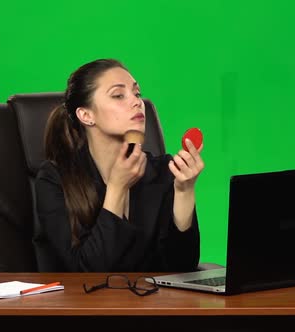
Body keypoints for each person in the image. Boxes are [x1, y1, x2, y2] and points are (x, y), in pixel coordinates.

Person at [33, 58, 205, 272]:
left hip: (151, 304)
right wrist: (117, 188)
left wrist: (184, 191)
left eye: (137, 93)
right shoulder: (55, 178)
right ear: (86, 115)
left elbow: (182, 266)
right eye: (118, 95)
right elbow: (88, 272)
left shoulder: (163, 171)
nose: (136, 102)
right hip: (86, 304)